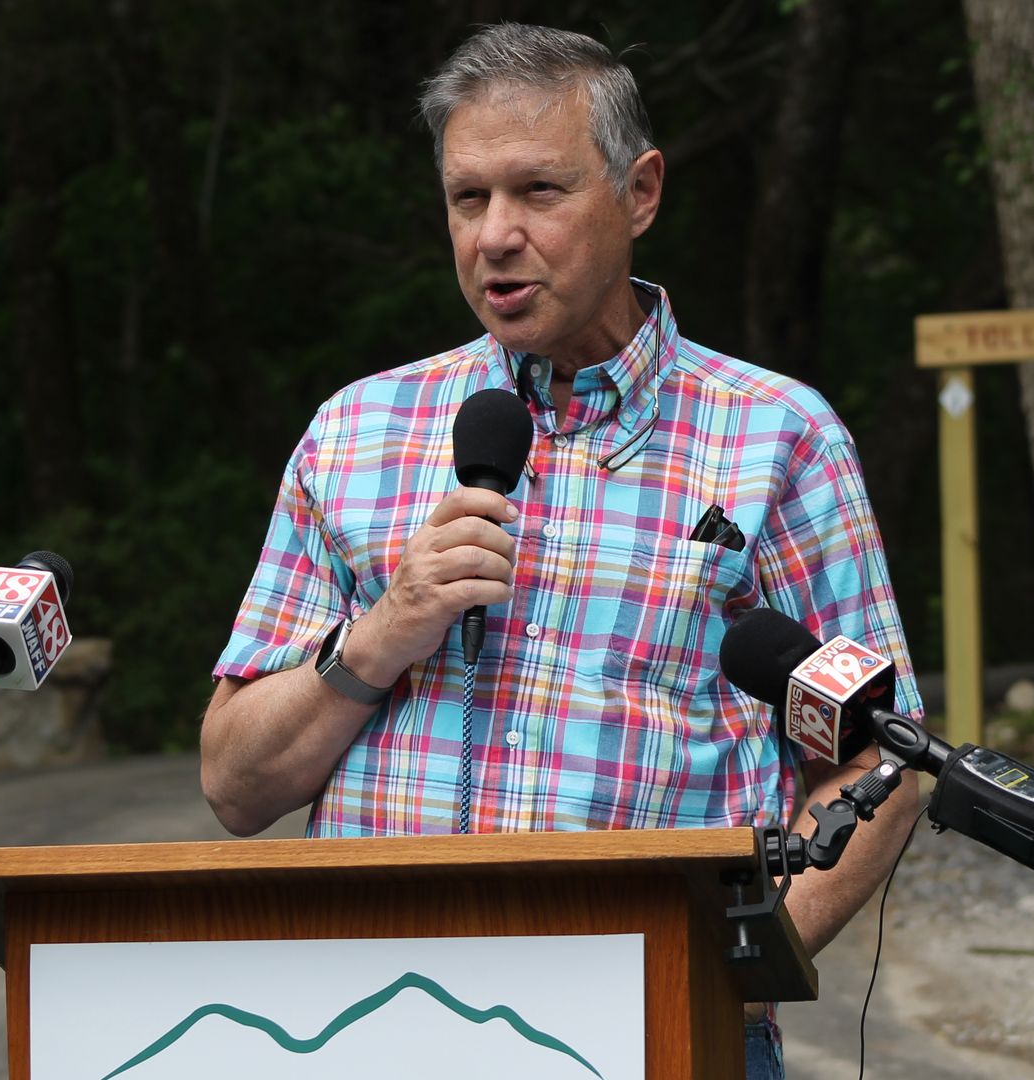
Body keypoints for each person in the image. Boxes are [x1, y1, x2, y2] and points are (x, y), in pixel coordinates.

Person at [201, 22, 923, 1079]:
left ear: (639, 193)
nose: (496, 235)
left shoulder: (778, 440)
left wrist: (737, 971)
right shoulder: (354, 434)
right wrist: (384, 631)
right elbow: (234, 785)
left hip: (655, 1035)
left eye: (538, 192)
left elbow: (880, 758)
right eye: (467, 197)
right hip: (366, 1032)